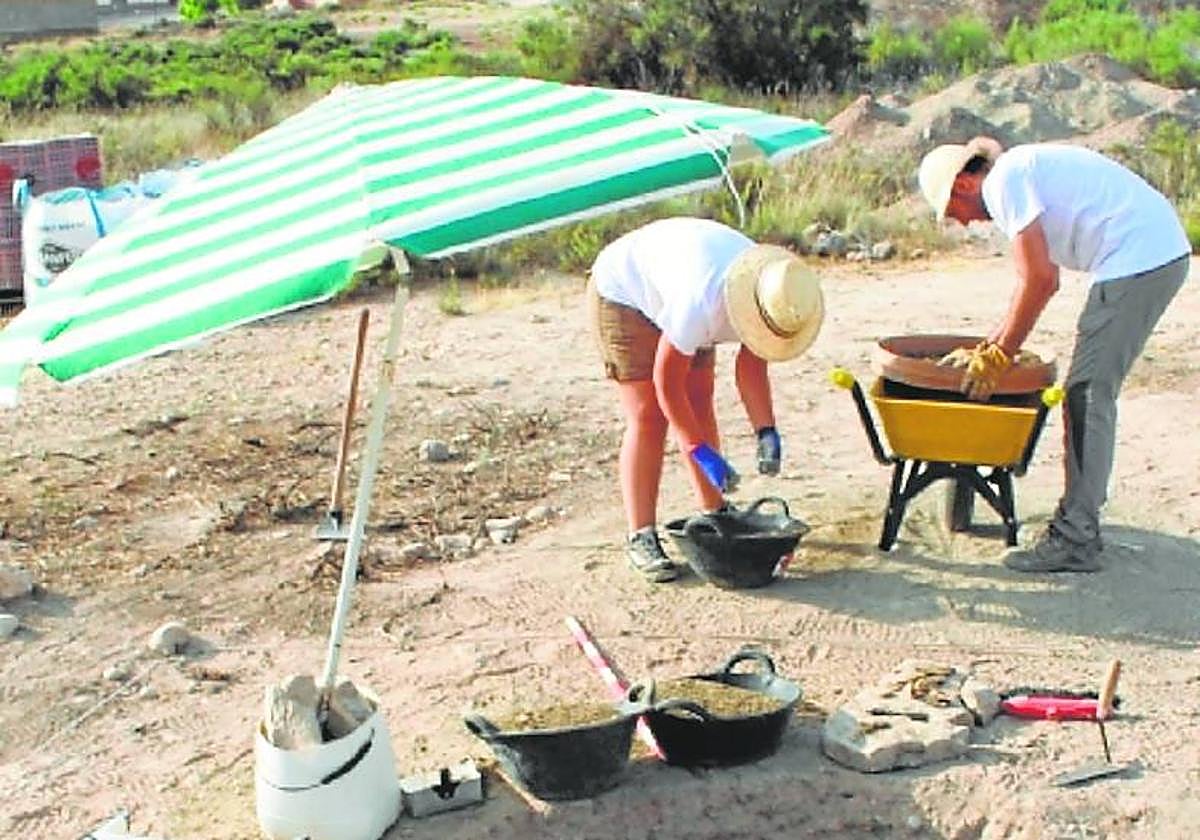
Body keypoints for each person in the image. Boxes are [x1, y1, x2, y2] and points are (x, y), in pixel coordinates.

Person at [918, 138, 1191, 573]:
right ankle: (1077, 526)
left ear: (965, 183)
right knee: (1087, 390)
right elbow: (1030, 282)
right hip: (1146, 253)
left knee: (1087, 393)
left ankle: (1075, 538)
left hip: (1141, 259)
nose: (963, 223)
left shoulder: (1005, 180)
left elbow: (1042, 281)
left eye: (953, 211)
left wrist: (999, 356)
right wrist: (990, 348)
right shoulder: (1018, 172)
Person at [587, 217, 824, 582]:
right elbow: (666, 382)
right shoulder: (700, 304)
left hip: (678, 281)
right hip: (624, 292)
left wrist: (766, 432)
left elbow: (752, 366)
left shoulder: (772, 294)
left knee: (699, 399)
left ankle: (714, 509)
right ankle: (641, 535)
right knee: (649, 414)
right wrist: (697, 448)